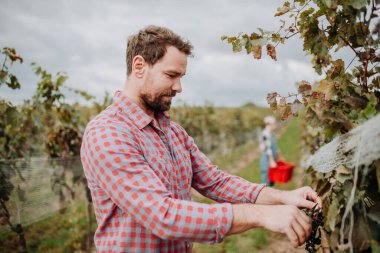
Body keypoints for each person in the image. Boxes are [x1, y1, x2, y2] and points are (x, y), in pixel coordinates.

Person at [80, 25, 322, 253]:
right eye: (171, 75)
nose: (179, 87)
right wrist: (260, 214)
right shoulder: (108, 133)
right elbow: (163, 216)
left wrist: (283, 197)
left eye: (181, 77)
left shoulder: (173, 132)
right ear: (140, 66)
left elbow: (216, 182)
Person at [259, 116, 280, 186]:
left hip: (272, 160)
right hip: (267, 161)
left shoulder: (271, 133)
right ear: (269, 125)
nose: (275, 125)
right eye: (274, 124)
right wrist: (271, 161)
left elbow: (274, 147)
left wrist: (278, 156)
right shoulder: (265, 134)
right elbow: (268, 149)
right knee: (266, 182)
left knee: (272, 181)